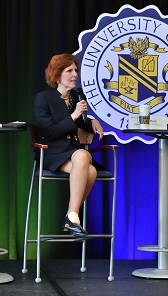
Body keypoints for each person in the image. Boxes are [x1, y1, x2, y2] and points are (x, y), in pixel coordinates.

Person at [33, 53, 104, 237]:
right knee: (84, 158)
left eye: (76, 71)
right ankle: (72, 217)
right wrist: (74, 115)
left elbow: (81, 123)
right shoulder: (43, 98)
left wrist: (91, 120)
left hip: (71, 151)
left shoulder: (75, 97)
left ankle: (71, 218)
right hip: (50, 152)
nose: (74, 75)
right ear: (57, 75)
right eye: (69, 71)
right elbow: (50, 132)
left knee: (91, 170)